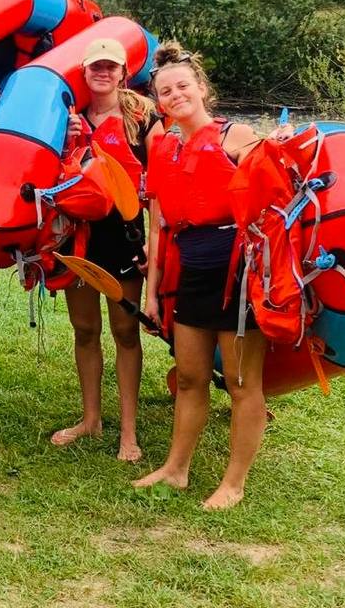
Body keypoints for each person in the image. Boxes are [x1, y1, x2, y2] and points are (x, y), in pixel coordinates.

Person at [134, 41, 267, 509]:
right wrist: (152, 294)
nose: (174, 96)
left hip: (239, 273)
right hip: (190, 270)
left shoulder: (238, 137)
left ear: (201, 88)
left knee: (241, 383)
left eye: (182, 86)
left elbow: (272, 207)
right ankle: (176, 469)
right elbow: (158, 224)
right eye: (165, 92)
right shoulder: (163, 146)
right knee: (190, 377)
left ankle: (233, 483)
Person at [54, 38, 162, 461]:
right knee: (85, 329)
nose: (103, 72)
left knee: (124, 331)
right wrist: (67, 139)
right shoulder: (70, 116)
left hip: (126, 238)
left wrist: (157, 242)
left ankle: (129, 433)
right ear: (85, 71)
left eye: (110, 66)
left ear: (122, 72)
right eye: (95, 66)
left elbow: (160, 187)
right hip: (79, 236)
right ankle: (91, 418)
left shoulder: (142, 116)